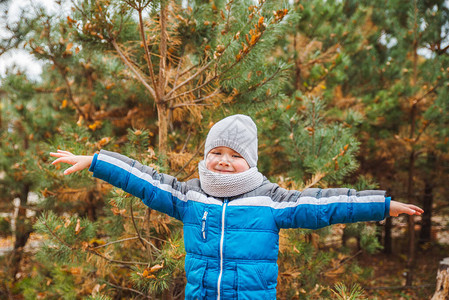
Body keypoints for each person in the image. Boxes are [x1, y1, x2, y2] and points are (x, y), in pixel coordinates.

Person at [50, 114, 423, 300]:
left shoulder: (271, 200)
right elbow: (145, 180)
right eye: (216, 153)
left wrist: (383, 205)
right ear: (206, 156)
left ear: (251, 161)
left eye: (234, 155)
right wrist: (96, 161)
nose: (224, 161)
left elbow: (327, 205)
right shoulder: (189, 196)